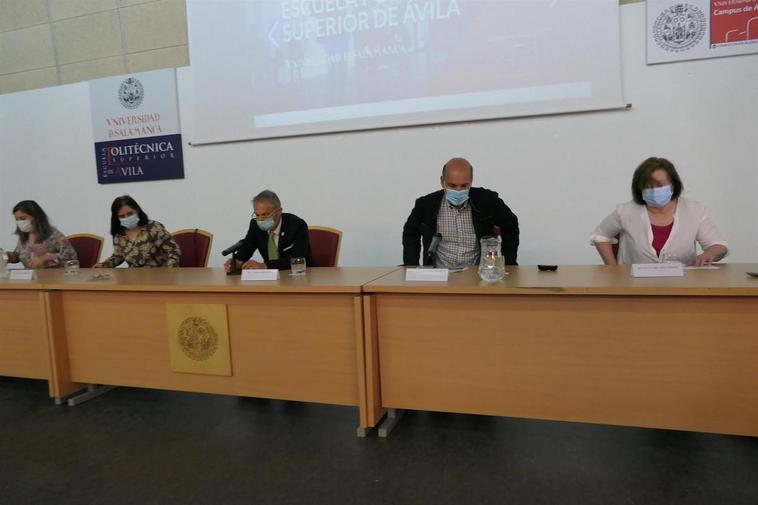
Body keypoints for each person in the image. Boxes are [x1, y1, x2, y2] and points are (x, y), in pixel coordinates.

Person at [591, 157, 728, 265]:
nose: (654, 190)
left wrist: (708, 254)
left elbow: (718, 245)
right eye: (648, 186)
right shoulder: (626, 211)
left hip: (682, 284)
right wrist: (613, 270)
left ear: (673, 185)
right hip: (634, 285)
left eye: (659, 185)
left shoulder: (694, 210)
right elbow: (600, 236)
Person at [402, 157, 520, 267]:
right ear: (442, 182)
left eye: (464, 185)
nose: (458, 190)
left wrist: (508, 264)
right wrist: (411, 266)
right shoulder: (426, 205)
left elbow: (511, 225)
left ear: (471, 181)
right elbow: (410, 232)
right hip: (439, 274)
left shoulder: (488, 201)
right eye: (452, 185)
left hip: (478, 273)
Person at [224, 190, 314, 272]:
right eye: (257, 215)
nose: (260, 219)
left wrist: (265, 265)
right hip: (270, 277)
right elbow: (247, 247)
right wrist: (236, 262)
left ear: (278, 212)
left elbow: (299, 259)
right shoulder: (255, 225)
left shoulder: (296, 225)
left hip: (300, 275)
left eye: (264, 215)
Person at [94, 195, 180, 268]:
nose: (126, 218)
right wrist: (104, 265)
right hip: (134, 278)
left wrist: (170, 269)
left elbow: (174, 250)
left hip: (161, 277)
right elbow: (118, 256)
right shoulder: (119, 234)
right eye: (122, 216)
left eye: (130, 214)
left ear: (137, 210)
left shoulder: (154, 228)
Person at [6, 200, 77, 269]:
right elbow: (18, 255)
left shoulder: (53, 234)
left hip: (53, 278)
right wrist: (7, 257)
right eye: (17, 219)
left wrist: (47, 257)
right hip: (31, 278)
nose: (20, 222)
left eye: (23, 218)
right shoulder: (23, 236)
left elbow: (71, 256)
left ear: (36, 217)